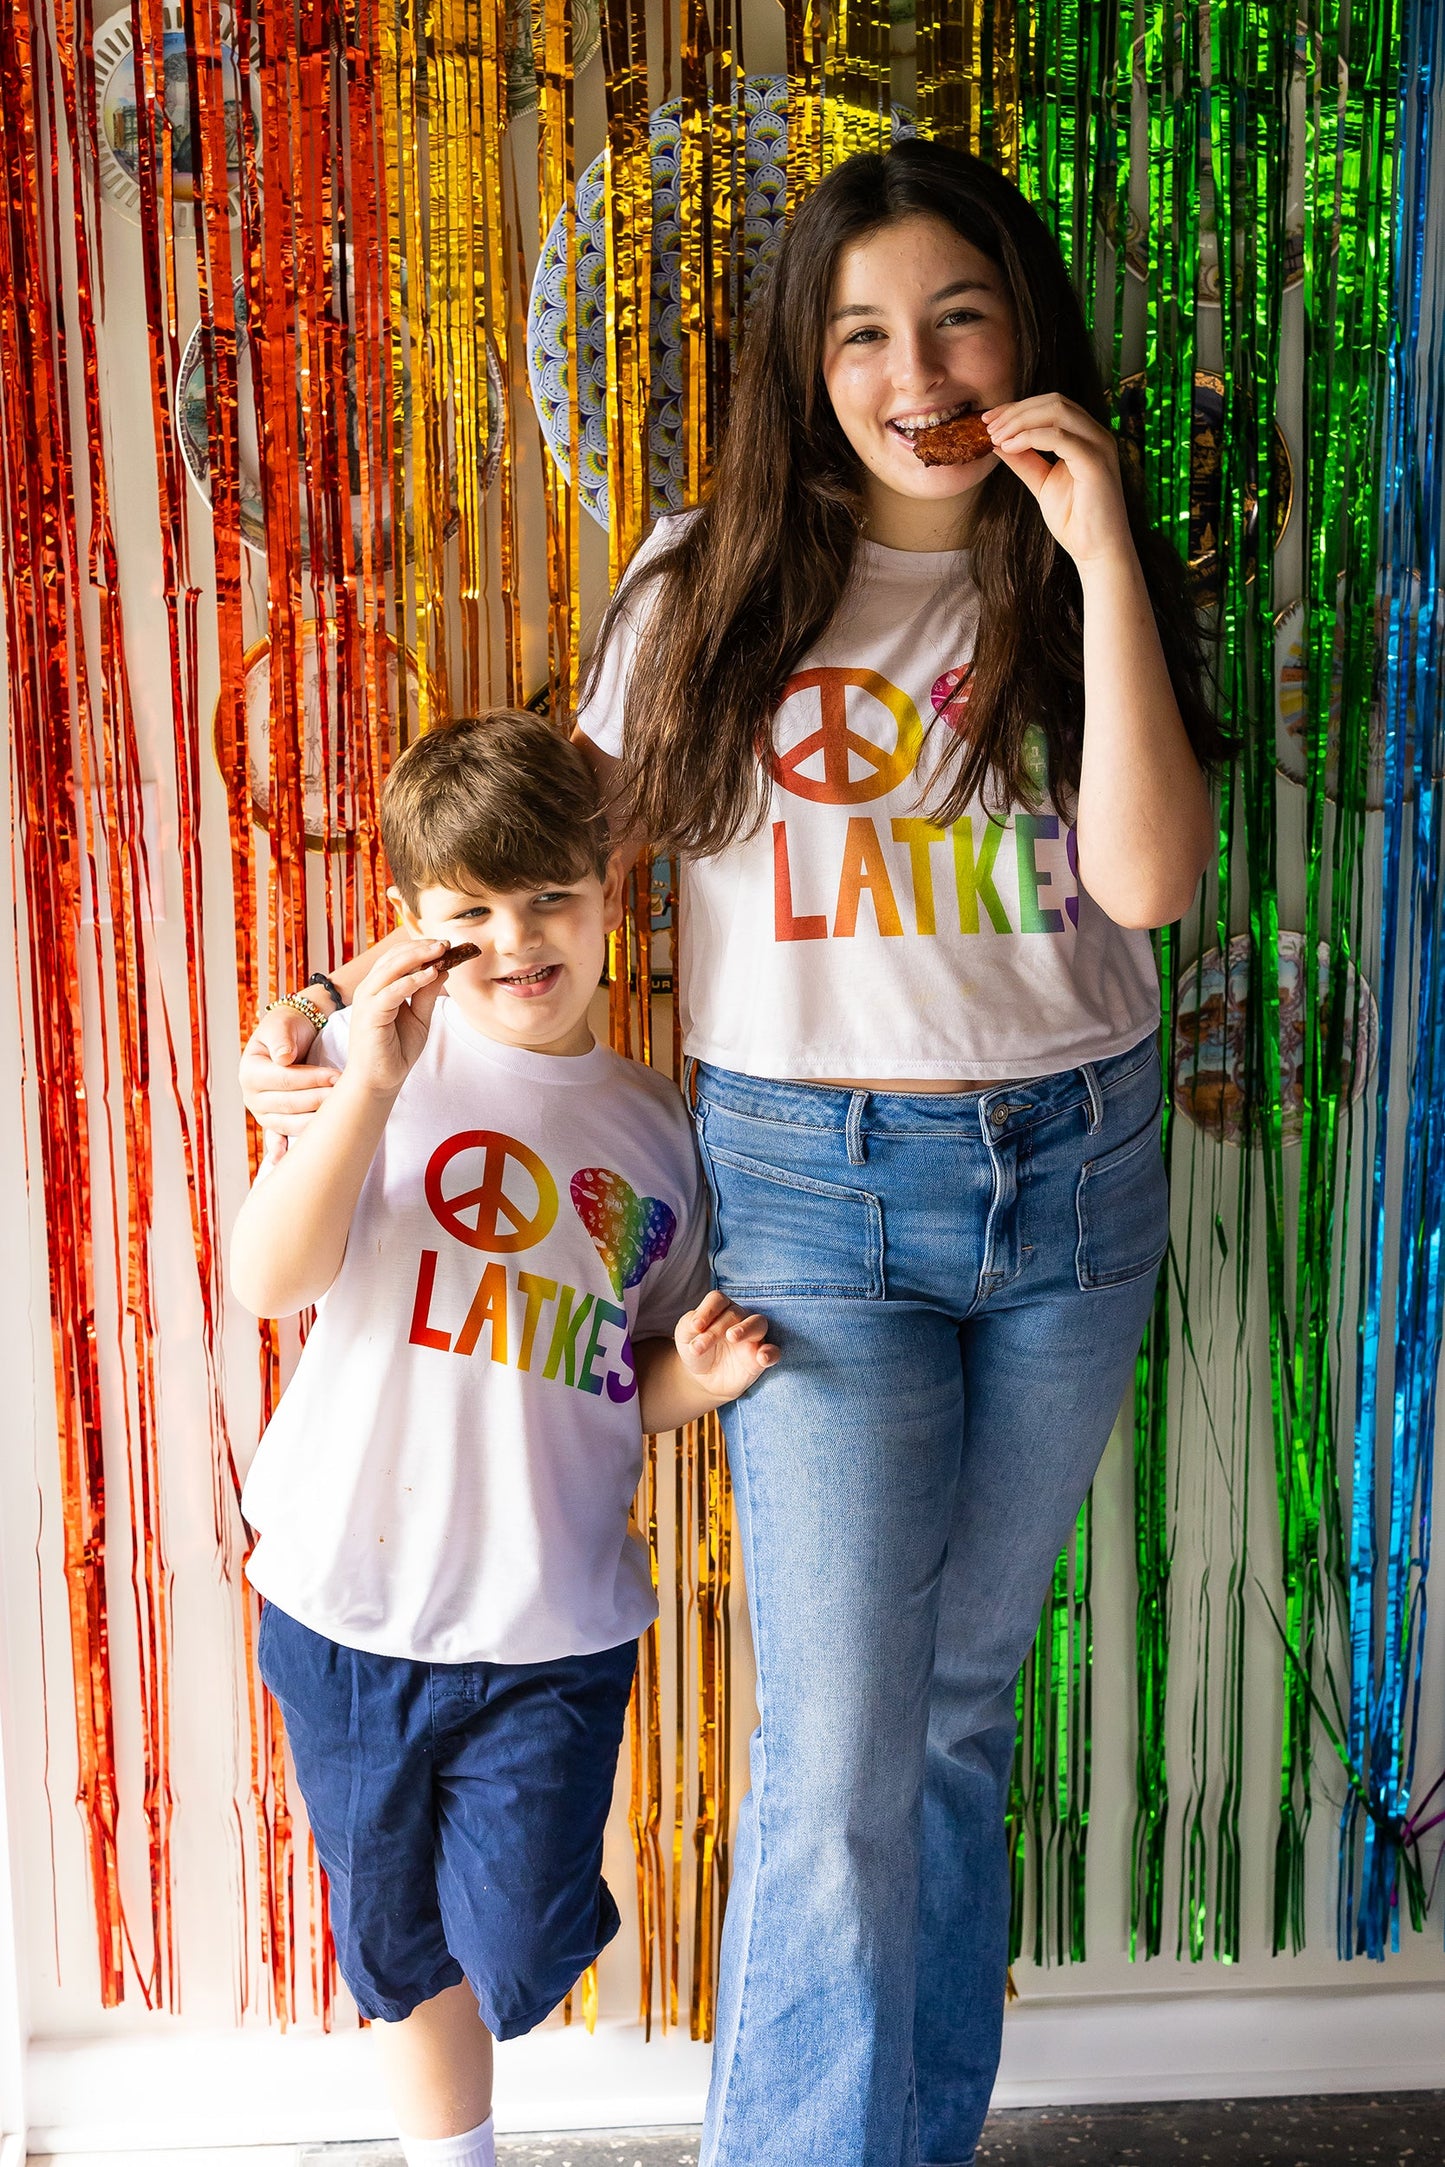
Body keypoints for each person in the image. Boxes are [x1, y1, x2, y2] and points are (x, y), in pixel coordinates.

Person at [240, 142, 1223, 2167]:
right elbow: (543, 848)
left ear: (1023, 326)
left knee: (955, 1718)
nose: (915, 365)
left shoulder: (1079, 567)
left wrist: (1106, 548)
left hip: (1081, 1178)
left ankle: (907, 2143)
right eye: (862, 330)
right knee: (841, 1747)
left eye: (957, 313)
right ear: (811, 364)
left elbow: (1146, 877)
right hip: (814, 1191)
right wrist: (341, 1010)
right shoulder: (709, 580)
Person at [230, 712, 777, 2167]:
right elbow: (270, 1280)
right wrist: (364, 1080)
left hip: (547, 1626)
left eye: (550, 897)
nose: (517, 940)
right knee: (397, 1947)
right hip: (343, 1602)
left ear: (609, 889)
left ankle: (515, 1961)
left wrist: (694, 1380)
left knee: (524, 1952)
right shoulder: (363, 1057)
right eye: (469, 911)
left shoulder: (657, 1131)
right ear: (411, 928)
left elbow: (613, 1370)